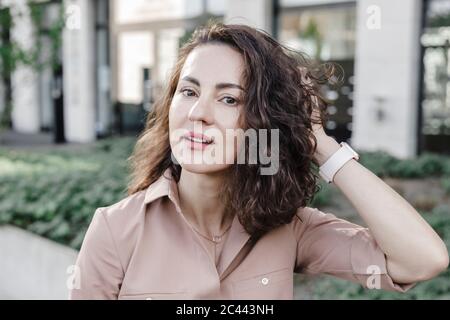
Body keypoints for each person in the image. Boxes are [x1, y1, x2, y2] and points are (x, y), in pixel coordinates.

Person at [69, 23, 448, 300]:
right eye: (189, 91)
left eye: (229, 99)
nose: (199, 113)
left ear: (263, 123)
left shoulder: (291, 227)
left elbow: (421, 261)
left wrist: (321, 145)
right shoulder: (117, 230)